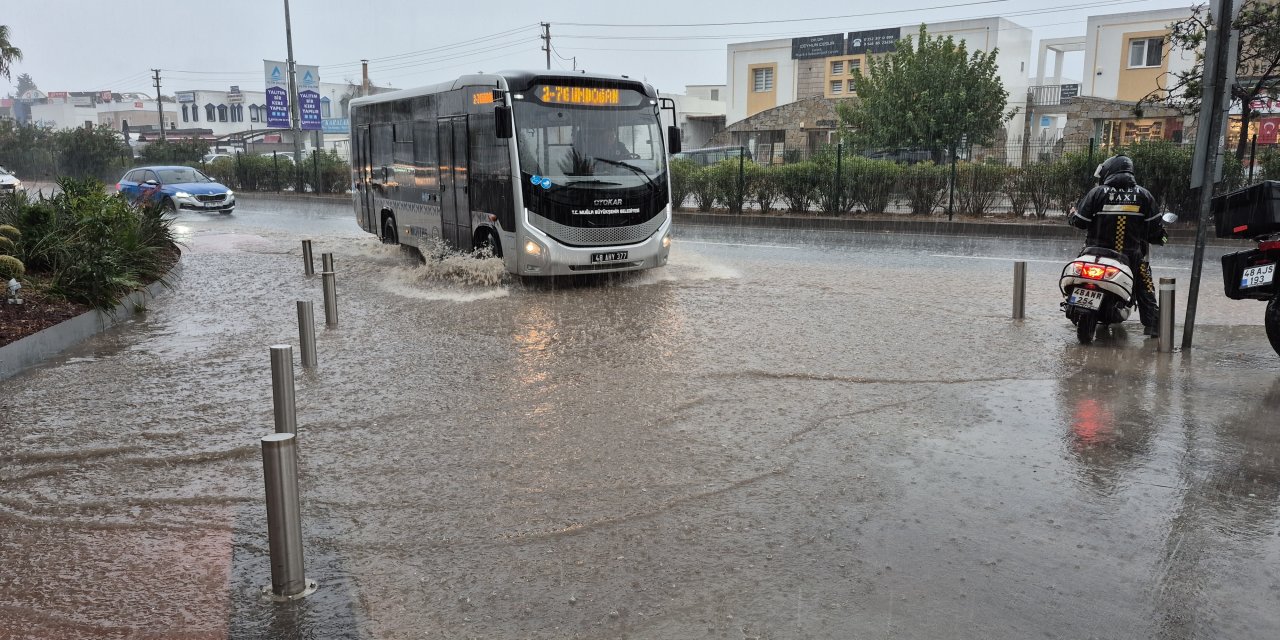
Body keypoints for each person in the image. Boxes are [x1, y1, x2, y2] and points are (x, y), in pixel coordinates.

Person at [1069, 155, 1164, 337]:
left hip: (1095, 253)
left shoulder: (1096, 193)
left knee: (1077, 272)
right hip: (1130, 256)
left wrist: (1071, 215)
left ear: (1109, 171)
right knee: (1145, 285)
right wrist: (1163, 237)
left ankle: (1074, 305)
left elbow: (1080, 222)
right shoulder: (1143, 195)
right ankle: (1153, 326)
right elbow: (1155, 231)